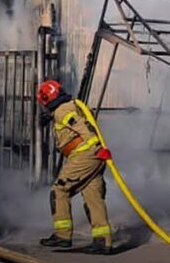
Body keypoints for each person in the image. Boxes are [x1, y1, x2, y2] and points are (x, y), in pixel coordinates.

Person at [35, 79, 112, 253]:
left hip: (85, 154)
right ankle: (102, 241)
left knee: (59, 190)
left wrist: (96, 147)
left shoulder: (62, 110)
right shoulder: (69, 107)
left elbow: (83, 127)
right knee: (93, 197)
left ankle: (62, 236)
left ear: (47, 99)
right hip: (93, 156)